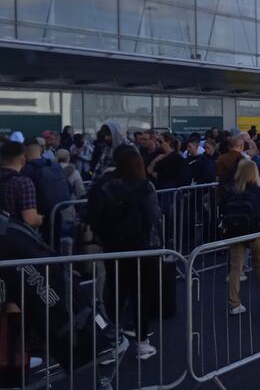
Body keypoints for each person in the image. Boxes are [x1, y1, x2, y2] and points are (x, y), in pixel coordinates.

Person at [85, 145, 161, 360]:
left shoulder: (104, 185)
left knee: (114, 292)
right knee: (141, 294)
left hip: (112, 247)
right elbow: (153, 218)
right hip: (142, 248)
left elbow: (92, 216)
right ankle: (142, 342)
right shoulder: (144, 186)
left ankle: (112, 341)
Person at [223, 159, 260, 315]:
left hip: (235, 232)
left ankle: (234, 303)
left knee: (235, 268)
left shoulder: (232, 190)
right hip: (256, 231)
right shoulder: (259, 191)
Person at [0, 141, 44, 228]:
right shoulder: (23, 183)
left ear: (0, 159)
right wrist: (40, 219)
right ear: (23, 160)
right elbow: (30, 220)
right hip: (15, 234)